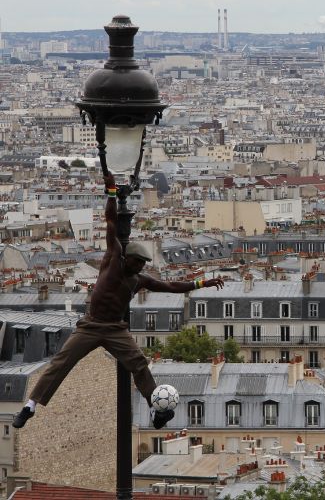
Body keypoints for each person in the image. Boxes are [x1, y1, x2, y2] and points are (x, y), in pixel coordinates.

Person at [13, 174, 224, 429]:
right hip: (90, 325)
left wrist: (201, 283)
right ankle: (30, 406)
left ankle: (156, 408)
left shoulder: (139, 279)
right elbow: (111, 221)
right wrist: (112, 192)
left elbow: (170, 286)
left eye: (143, 265)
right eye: (139, 262)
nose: (141, 267)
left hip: (114, 328)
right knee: (61, 361)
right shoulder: (113, 260)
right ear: (130, 257)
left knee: (139, 364)